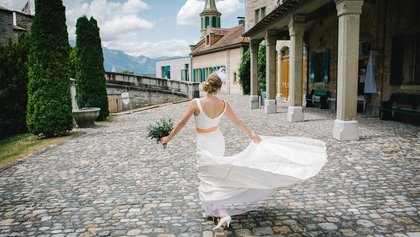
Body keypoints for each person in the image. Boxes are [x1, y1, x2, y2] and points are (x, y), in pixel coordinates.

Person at [160, 73, 327, 232]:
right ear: (218, 88)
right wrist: (251, 134)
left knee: (206, 175)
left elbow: (182, 123)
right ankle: (214, 209)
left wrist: (168, 138)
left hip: (204, 141)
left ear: (207, 86)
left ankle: (220, 212)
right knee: (215, 172)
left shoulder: (196, 103)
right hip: (217, 140)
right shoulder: (223, 104)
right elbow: (237, 122)